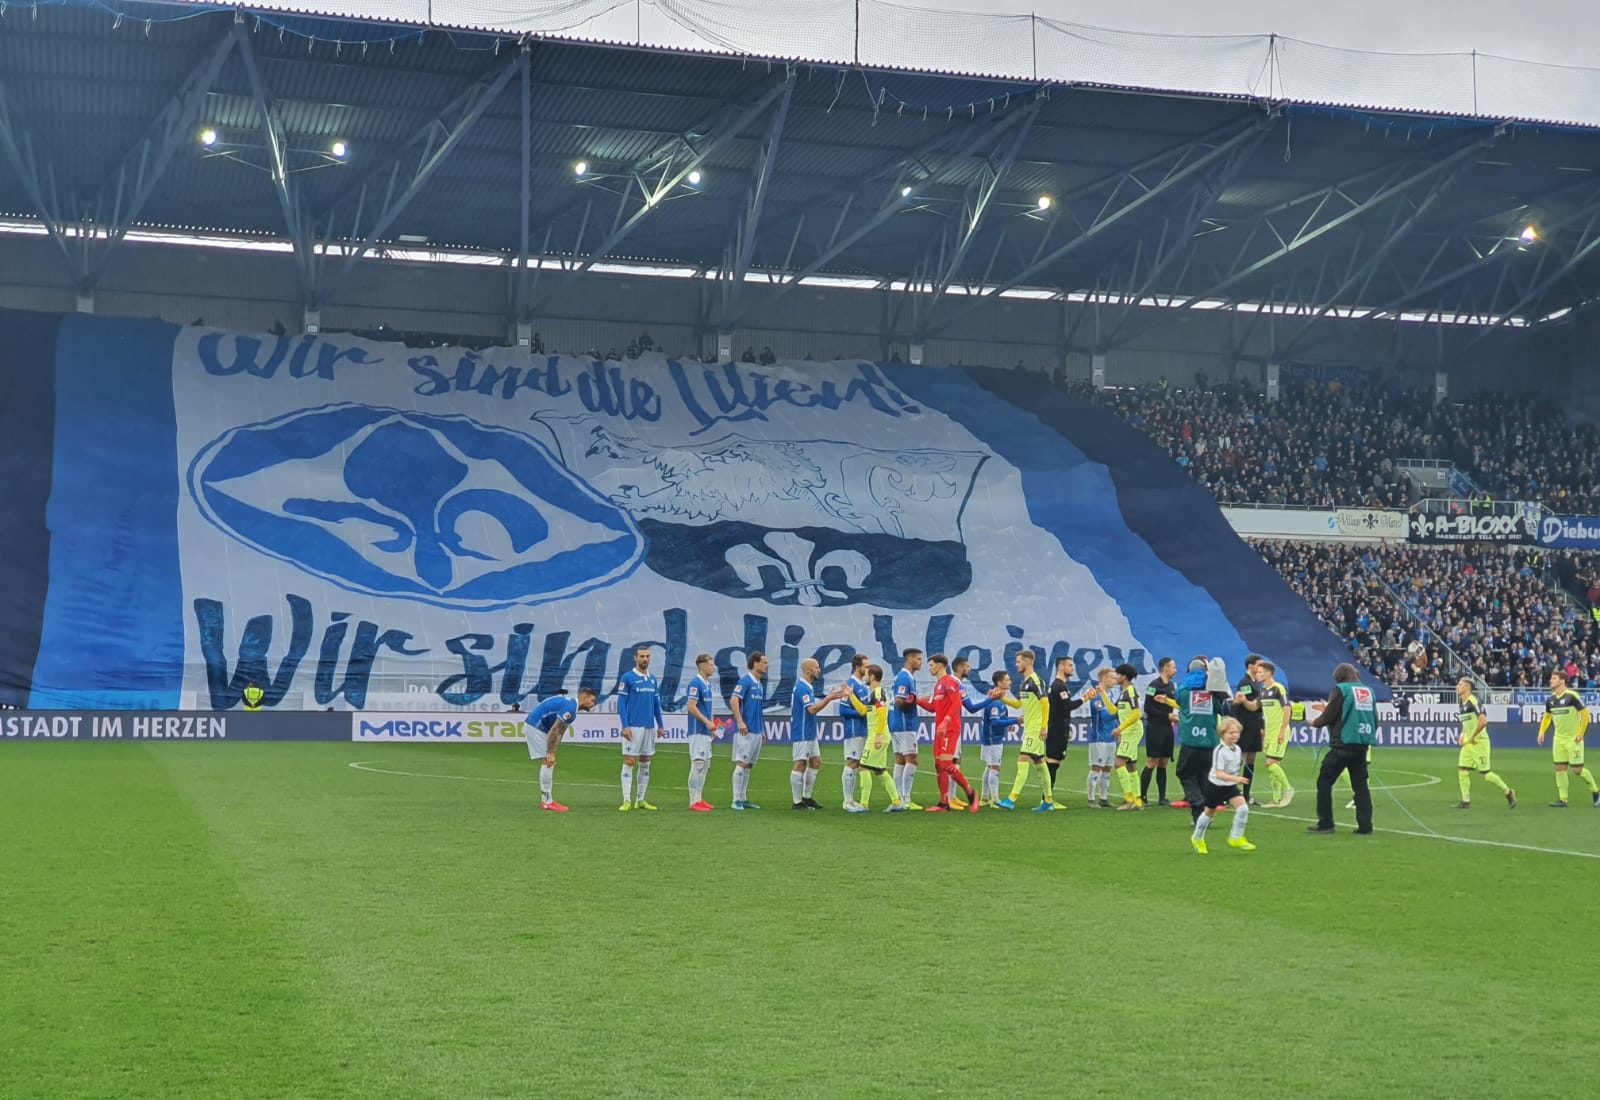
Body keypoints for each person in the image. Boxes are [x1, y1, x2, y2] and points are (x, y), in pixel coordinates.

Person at [1307, 663, 1378, 835]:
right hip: (1361, 745)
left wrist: (1315, 722)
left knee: (1324, 782)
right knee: (1361, 787)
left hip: (1342, 744)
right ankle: (1365, 826)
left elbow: (1330, 715)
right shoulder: (1369, 691)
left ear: (1339, 677)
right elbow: (1375, 718)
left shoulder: (1340, 690)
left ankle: (1326, 823)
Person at [918, 654, 981, 813]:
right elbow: (934, 707)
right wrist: (916, 700)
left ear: (940, 665)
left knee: (946, 764)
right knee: (939, 766)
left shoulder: (950, 682)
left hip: (950, 729)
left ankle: (971, 793)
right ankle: (943, 803)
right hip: (940, 729)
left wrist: (946, 721)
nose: (930, 668)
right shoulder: (938, 684)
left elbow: (957, 702)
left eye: (932, 665)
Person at [1190, 717, 1256, 854]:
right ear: (1223, 734)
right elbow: (1219, 773)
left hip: (1230, 786)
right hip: (1215, 786)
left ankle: (1236, 837)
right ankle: (1197, 838)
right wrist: (1236, 778)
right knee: (1209, 813)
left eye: (1236, 732)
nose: (1234, 735)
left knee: (1243, 808)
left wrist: (1234, 779)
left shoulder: (1237, 749)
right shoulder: (1220, 750)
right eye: (1231, 732)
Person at [524, 688, 597, 812]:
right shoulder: (570, 708)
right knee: (547, 762)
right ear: (584, 698)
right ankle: (547, 802)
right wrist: (550, 752)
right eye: (592, 700)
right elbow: (555, 730)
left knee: (549, 761)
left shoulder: (572, 708)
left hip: (538, 725)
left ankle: (547, 800)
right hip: (536, 726)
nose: (593, 704)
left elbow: (560, 732)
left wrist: (554, 750)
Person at [1000, 651, 1056, 811]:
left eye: (1018, 662)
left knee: (1023, 758)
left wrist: (1044, 725)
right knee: (1040, 763)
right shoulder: (1025, 683)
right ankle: (1048, 801)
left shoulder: (1036, 681)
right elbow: (1019, 705)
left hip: (1036, 729)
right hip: (1030, 728)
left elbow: (1045, 703)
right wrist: (1001, 698)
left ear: (1028, 662)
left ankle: (1011, 799)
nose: (1016, 665)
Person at [1536, 669, 1599, 808]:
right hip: (1558, 739)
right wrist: (1541, 732)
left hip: (1573, 739)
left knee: (1577, 770)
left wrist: (1581, 733)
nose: (1551, 681)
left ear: (1562, 681)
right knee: (1560, 768)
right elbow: (1547, 717)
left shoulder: (1572, 696)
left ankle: (1596, 791)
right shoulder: (1551, 699)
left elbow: (1585, 714)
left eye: (1554, 678)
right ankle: (1563, 799)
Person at [616, 645, 666, 812]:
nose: (645, 659)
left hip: (649, 727)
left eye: (647, 656)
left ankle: (641, 799)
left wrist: (661, 725)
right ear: (635, 658)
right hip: (633, 726)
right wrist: (625, 725)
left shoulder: (652, 679)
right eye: (642, 656)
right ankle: (626, 800)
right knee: (629, 761)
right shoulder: (628, 677)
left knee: (645, 762)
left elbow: (656, 704)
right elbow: (621, 703)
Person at [791, 658, 846, 810]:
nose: (819, 670)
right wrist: (829, 698)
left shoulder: (807, 687)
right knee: (800, 763)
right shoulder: (802, 687)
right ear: (808, 670)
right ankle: (797, 802)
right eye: (816, 667)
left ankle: (806, 797)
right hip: (802, 732)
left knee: (816, 761)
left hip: (809, 732)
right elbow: (812, 709)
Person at [1174, 657, 1223, 824]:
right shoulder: (1213, 691)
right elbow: (1223, 710)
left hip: (1190, 741)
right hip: (1209, 742)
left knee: (1185, 774)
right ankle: (1200, 819)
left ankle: (1196, 801)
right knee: (1204, 778)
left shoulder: (1182, 689)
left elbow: (1178, 701)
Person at [1454, 677, 1515, 810]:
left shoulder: (1473, 701)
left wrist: (1472, 737)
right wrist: (1462, 734)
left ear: (1467, 688)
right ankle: (1466, 801)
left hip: (1479, 743)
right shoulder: (1461, 703)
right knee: (1462, 770)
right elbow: (1466, 722)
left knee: (1485, 774)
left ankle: (1508, 792)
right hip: (1469, 742)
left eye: (1460, 684)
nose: (1457, 686)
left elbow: (1483, 721)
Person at [856, 665, 905, 812]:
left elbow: (883, 713)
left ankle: (863, 804)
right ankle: (896, 801)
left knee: (863, 767)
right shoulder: (874, 693)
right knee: (879, 770)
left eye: (865, 675)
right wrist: (850, 695)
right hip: (879, 735)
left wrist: (878, 736)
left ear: (871, 677)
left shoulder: (878, 693)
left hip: (877, 736)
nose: (864, 677)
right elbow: (863, 710)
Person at [730, 652, 769, 811]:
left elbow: (758, 710)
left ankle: (743, 798)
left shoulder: (759, 684)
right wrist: (740, 721)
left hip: (756, 730)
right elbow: (734, 699)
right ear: (755, 663)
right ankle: (735, 800)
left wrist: (762, 730)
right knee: (742, 763)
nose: (767, 666)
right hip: (746, 730)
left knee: (749, 766)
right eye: (764, 662)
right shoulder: (745, 681)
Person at [1254, 661, 1295, 808]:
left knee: (1270, 763)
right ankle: (1276, 799)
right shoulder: (1263, 691)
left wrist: (1282, 731)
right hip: (1270, 732)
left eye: (1260, 671)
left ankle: (1288, 789)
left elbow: (1287, 709)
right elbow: (1255, 706)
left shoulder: (1278, 688)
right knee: (1274, 765)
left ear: (1269, 673)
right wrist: (1240, 701)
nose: (1258, 674)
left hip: (1279, 731)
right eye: (1257, 671)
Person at [890, 649, 926, 810]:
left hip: (897, 724)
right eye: (918, 659)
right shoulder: (905, 678)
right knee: (912, 760)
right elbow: (899, 701)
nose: (921, 662)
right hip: (905, 724)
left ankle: (898, 798)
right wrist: (917, 701)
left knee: (900, 760)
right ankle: (906, 799)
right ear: (910, 659)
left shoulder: (903, 676)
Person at [685, 653, 720, 812]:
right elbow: (691, 706)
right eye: (711, 664)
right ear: (703, 665)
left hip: (706, 731)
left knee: (706, 764)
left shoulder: (706, 685)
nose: (713, 667)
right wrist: (706, 722)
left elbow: (707, 709)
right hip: (697, 730)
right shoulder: (695, 683)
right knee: (698, 762)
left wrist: (712, 726)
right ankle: (693, 800)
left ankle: (699, 798)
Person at [1140, 657, 1178, 806]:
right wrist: (1166, 715)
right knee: (1152, 761)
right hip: (1155, 727)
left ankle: (1162, 797)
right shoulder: (1153, 685)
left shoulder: (1172, 686)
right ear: (1165, 668)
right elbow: (1148, 708)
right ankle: (1142, 796)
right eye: (1173, 667)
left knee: (1164, 762)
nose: (1175, 670)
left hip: (1167, 728)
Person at [979, 671, 1019, 808]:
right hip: (992, 739)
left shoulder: (998, 698)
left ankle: (984, 798)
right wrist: (1015, 721)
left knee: (990, 766)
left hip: (992, 738)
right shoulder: (995, 701)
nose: (1010, 682)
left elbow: (999, 720)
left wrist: (1007, 722)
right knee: (995, 767)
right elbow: (995, 722)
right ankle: (995, 800)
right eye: (1007, 680)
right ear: (999, 683)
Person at [1045, 655, 1086, 790]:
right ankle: (1047, 799)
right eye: (1070, 665)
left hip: (1057, 727)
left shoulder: (1058, 685)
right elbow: (1068, 706)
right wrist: (1085, 698)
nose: (1072, 668)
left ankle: (1047, 798)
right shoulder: (1059, 686)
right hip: (1057, 729)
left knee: (1054, 762)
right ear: (1061, 667)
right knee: (1053, 762)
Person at [838, 654, 872, 811]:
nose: (868, 669)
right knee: (852, 761)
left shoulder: (864, 686)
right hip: (854, 729)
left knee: (859, 763)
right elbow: (843, 709)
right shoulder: (850, 685)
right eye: (865, 666)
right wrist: (861, 712)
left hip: (864, 729)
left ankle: (851, 800)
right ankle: (847, 801)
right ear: (857, 667)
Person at [1111, 664, 1146, 809]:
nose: (1115, 677)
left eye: (1117, 674)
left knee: (1119, 762)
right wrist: (1102, 695)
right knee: (1131, 765)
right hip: (1128, 732)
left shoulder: (1130, 691)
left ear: (1124, 676)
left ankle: (1129, 799)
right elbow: (1114, 710)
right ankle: (1137, 801)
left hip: (1132, 731)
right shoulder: (1123, 692)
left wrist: (1120, 728)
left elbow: (1137, 713)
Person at [1085, 667, 1120, 808]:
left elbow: (1112, 717)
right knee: (1096, 767)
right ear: (1104, 678)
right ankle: (1091, 798)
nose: (1115, 680)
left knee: (1107, 768)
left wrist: (1118, 728)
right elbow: (1105, 716)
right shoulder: (1096, 695)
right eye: (1112, 677)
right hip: (1099, 738)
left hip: (1110, 737)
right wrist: (1121, 711)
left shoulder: (1109, 695)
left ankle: (1104, 798)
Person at [1232, 654, 1265, 805]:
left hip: (1255, 724)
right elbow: (1246, 704)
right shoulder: (1245, 682)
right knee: (1240, 758)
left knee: (1251, 758)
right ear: (1250, 665)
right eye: (1259, 664)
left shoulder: (1256, 683)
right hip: (1244, 724)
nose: (1261, 668)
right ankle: (1231, 792)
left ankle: (1246, 794)